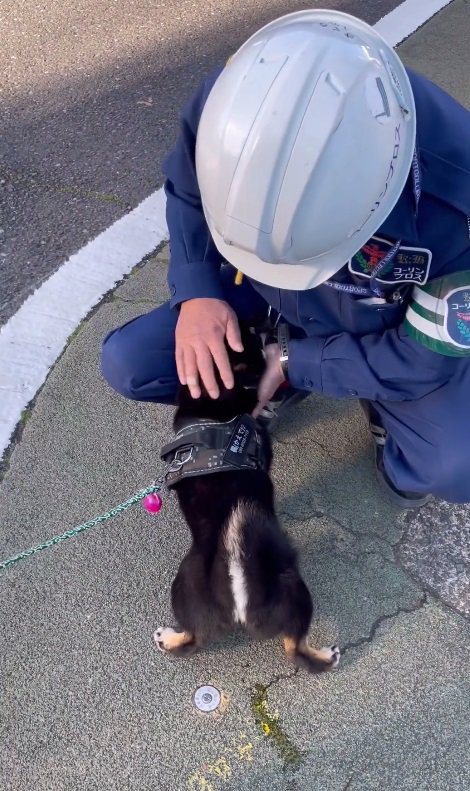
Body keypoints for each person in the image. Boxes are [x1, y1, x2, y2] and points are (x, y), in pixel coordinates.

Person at [101, 9, 470, 508]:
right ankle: (280, 375)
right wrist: (196, 293)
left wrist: (302, 361)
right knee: (133, 362)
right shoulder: (243, 98)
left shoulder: (457, 199)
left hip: (388, 327)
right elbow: (188, 190)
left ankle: (374, 411)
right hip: (261, 294)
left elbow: (426, 354)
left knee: (455, 466)